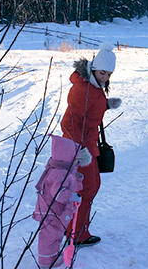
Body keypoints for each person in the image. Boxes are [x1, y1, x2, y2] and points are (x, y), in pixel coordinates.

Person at [61, 43, 122, 247]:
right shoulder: (83, 89)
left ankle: (74, 230)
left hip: (88, 144)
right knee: (87, 188)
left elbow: (88, 112)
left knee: (88, 188)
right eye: (102, 72)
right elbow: (69, 123)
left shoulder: (94, 87)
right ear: (94, 68)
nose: (105, 77)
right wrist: (80, 150)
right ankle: (77, 234)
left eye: (108, 74)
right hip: (80, 148)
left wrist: (105, 105)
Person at [33, 136, 91, 268]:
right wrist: (71, 197)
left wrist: (77, 181)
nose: (77, 165)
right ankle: (46, 261)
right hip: (51, 210)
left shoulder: (60, 169)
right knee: (50, 235)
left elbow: (67, 186)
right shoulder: (60, 173)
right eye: (76, 162)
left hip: (51, 209)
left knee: (56, 234)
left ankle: (52, 255)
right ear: (68, 158)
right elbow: (59, 194)